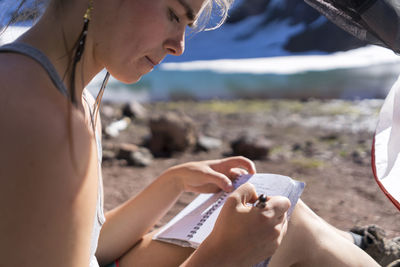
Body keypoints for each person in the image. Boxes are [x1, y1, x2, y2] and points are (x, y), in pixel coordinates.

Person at [0, 0, 381, 266]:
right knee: (288, 231)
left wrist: (171, 182)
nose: (178, 46)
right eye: (172, 13)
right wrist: (223, 255)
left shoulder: (67, 95)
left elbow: (84, 247)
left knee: (287, 222)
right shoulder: (36, 116)